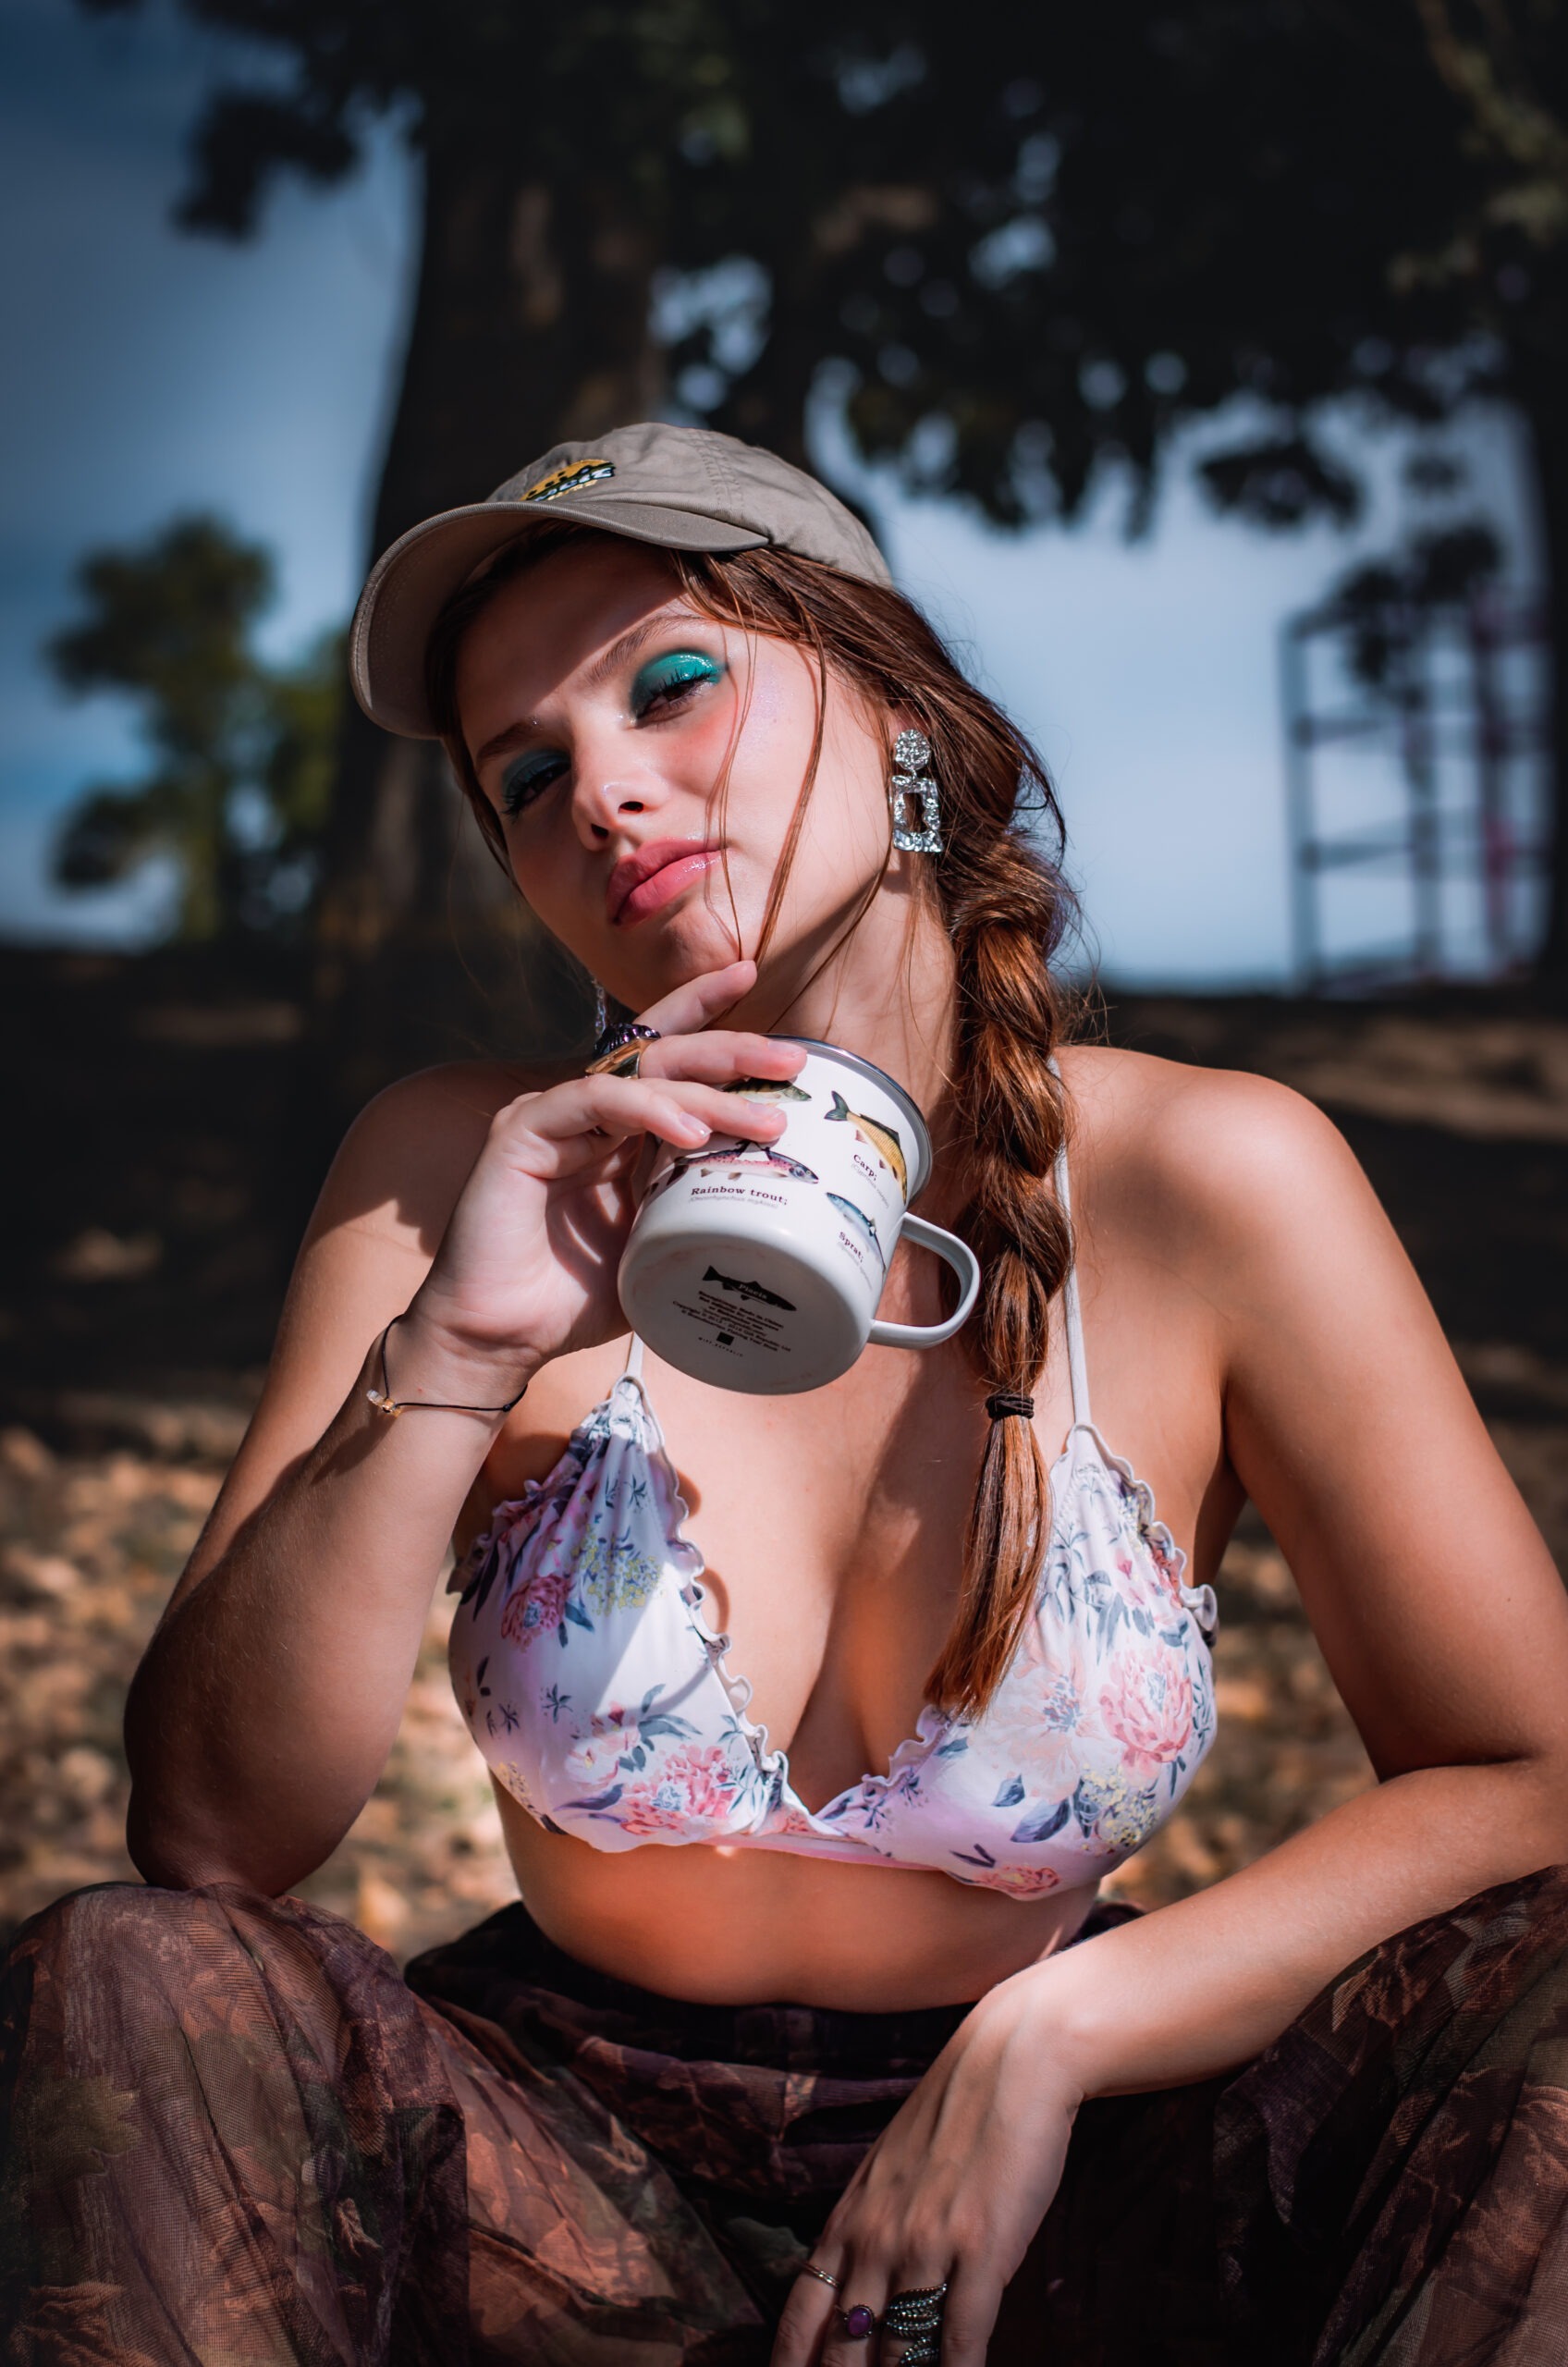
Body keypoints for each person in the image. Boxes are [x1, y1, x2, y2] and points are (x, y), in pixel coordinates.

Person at [6, 422, 1568, 2367]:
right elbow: (213, 1839)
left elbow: (1530, 1767)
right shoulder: (453, 1174)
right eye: (526, 777)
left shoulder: (1209, 1181)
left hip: (1065, 2198)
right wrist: (459, 1354)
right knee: (130, 1976)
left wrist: (1054, 2028)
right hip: (557, 2198)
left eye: (670, 683)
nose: (604, 792)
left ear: (898, 705)